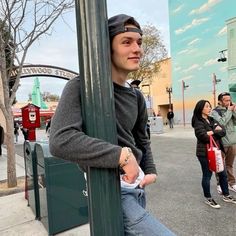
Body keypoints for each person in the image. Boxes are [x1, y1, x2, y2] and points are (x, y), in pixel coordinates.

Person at [50, 14, 175, 235]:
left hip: (137, 189)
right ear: (107, 48)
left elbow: (142, 138)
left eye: (139, 42)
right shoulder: (80, 87)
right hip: (109, 192)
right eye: (126, 42)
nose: (137, 48)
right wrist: (122, 156)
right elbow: (60, 140)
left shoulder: (136, 96)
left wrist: (150, 171)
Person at [191, 100, 236, 209]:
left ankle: (226, 195)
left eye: (210, 106)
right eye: (207, 106)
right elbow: (204, 137)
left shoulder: (212, 119)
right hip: (204, 153)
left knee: (223, 174)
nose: (209, 108)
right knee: (207, 175)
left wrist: (212, 132)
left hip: (217, 151)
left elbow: (223, 131)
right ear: (201, 108)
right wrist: (215, 131)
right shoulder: (198, 122)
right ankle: (208, 198)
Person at [211, 92, 236, 193]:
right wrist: (229, 111)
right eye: (226, 100)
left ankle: (232, 183)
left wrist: (233, 111)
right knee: (220, 165)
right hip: (221, 143)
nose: (228, 102)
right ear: (220, 101)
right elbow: (222, 123)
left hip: (233, 142)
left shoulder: (229, 109)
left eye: (229, 100)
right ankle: (220, 184)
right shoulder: (215, 112)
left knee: (229, 165)